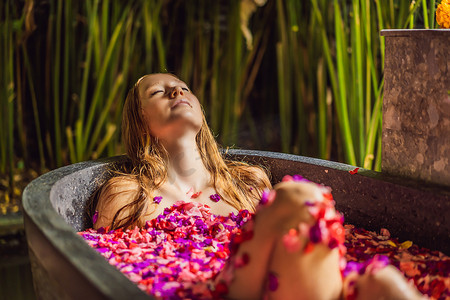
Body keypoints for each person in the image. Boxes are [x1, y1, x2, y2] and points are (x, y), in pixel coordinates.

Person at [93, 73, 425, 299]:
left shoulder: (247, 184)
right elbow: (106, 277)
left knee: (382, 282)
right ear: (141, 122)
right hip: (206, 291)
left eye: (182, 87)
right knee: (299, 198)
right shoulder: (128, 196)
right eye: (158, 92)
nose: (177, 92)